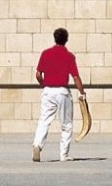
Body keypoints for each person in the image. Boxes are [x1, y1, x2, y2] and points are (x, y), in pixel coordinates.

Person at [32, 28, 86, 162]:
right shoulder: (69, 56)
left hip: (48, 91)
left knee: (44, 120)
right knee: (66, 124)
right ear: (66, 40)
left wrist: (44, 84)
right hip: (62, 92)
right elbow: (76, 77)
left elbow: (38, 74)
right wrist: (82, 92)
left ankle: (37, 145)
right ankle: (64, 155)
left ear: (54, 38)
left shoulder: (45, 53)